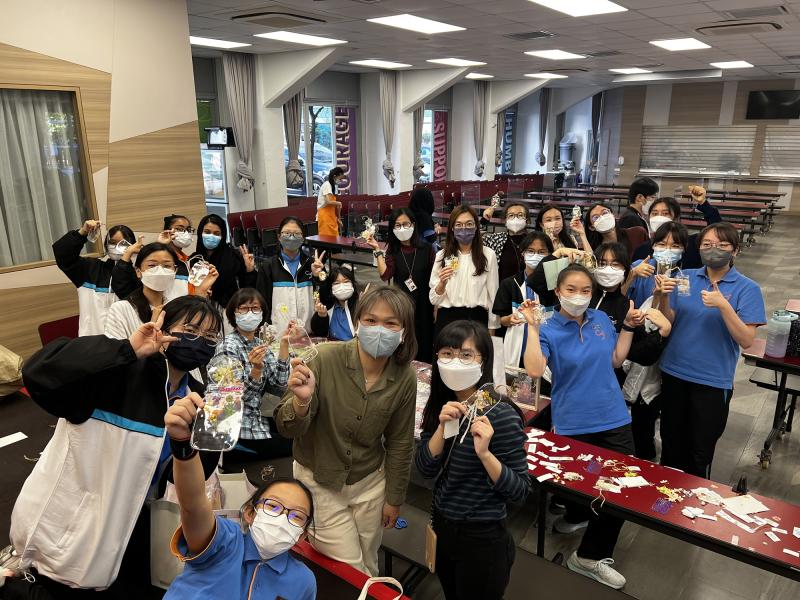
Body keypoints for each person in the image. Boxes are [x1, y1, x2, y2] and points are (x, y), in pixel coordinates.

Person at [7, 296, 223, 597]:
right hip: (77, 523)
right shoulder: (117, 373)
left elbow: (186, 475)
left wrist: (213, 434)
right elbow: (38, 372)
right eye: (190, 330)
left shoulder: (196, 397)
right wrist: (127, 349)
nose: (199, 341)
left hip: (137, 519)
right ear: (163, 327)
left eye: (210, 336)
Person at [274, 287, 418, 576]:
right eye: (371, 320)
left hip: (369, 483)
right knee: (352, 571)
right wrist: (302, 402)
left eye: (391, 323)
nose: (380, 329)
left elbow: (401, 442)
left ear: (404, 331)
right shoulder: (324, 358)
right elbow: (286, 427)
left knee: (370, 560)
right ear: (358, 322)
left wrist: (394, 498)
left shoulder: (405, 377)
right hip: (320, 481)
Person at [521, 264, 645, 589]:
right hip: (573, 422)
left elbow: (615, 360)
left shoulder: (601, 319)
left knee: (622, 488)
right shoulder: (547, 328)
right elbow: (534, 370)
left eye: (586, 290)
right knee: (581, 486)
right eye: (571, 290)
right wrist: (532, 327)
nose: (579, 296)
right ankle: (578, 518)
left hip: (614, 416)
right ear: (558, 292)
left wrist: (628, 327)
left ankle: (589, 556)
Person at [416, 321, 530, 600]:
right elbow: (424, 468)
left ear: (484, 360)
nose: (455, 362)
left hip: (482, 537)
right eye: (447, 353)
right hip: (442, 526)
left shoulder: (501, 414)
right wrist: (441, 429)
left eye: (466, 355)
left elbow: (520, 491)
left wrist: (485, 454)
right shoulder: (441, 404)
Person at [164, 392, 315, 599]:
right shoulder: (224, 541)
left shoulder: (303, 581)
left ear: (303, 534)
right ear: (250, 513)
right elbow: (193, 504)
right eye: (273, 506)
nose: (282, 518)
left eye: (296, 516)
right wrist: (182, 443)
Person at [656, 222, 766, 478]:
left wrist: (724, 306)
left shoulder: (747, 288)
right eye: (707, 244)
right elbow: (669, 320)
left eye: (722, 245)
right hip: (674, 372)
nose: (713, 249)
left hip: (712, 381)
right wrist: (662, 296)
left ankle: (693, 499)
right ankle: (663, 496)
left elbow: (746, 340)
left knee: (700, 452)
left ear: (735, 250)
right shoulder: (685, 277)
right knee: (670, 444)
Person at [592, 242, 673, 461]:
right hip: (572, 390)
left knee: (609, 456)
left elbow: (641, 354)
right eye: (602, 263)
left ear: (625, 271)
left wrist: (662, 333)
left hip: (608, 393)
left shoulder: (626, 306)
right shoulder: (581, 298)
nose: (608, 269)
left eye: (615, 265)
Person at [217, 288, 294, 463]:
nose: (250, 313)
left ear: (262, 313)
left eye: (255, 308)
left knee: (300, 431)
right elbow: (232, 399)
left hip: (258, 418)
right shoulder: (228, 347)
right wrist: (256, 371)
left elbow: (279, 383)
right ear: (233, 314)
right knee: (298, 444)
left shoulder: (258, 344)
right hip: (240, 428)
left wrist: (284, 344)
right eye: (243, 309)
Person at [371, 207, 436, 362]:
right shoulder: (393, 250)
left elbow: (435, 279)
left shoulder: (427, 249)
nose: (402, 228)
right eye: (397, 225)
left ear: (413, 224)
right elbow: (385, 275)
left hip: (424, 304)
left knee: (424, 341)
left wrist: (436, 307)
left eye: (406, 224)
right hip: (401, 305)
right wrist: (377, 250)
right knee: (403, 342)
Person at [52, 219, 136, 336]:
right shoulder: (90, 269)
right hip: (92, 341)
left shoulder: (137, 276)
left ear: (133, 247)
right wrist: (82, 232)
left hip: (127, 341)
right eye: (112, 243)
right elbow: (63, 255)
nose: (117, 247)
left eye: (123, 244)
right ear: (106, 245)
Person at [429, 205, 500, 338]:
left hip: (477, 319)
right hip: (448, 319)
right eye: (459, 225)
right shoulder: (442, 255)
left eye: (469, 224)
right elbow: (434, 299)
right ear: (452, 228)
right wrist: (442, 284)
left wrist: (492, 329)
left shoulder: (488, 255)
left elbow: (493, 296)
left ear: (476, 227)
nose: (464, 228)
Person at [492, 232, 553, 368]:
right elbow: (502, 320)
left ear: (549, 255)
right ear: (522, 253)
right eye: (530, 251)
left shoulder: (554, 286)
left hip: (546, 348)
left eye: (541, 252)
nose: (535, 255)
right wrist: (510, 319)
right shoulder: (509, 284)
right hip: (517, 348)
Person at [255, 216, 324, 334]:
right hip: (278, 335)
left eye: (297, 234)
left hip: (308, 334)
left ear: (303, 238)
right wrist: (267, 332)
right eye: (287, 233)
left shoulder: (313, 264)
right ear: (279, 237)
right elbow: (262, 303)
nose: (291, 237)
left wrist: (317, 278)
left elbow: (325, 300)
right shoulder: (268, 266)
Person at [104, 242, 183, 340]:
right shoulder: (121, 309)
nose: (160, 271)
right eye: (152, 265)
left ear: (175, 271)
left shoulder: (178, 308)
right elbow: (114, 348)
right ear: (138, 271)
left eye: (166, 266)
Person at [631, 186, 722, 269]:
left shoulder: (692, 244)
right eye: (654, 213)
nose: (659, 217)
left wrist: (703, 203)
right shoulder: (642, 249)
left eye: (665, 213)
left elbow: (717, 230)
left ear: (676, 218)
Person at [193, 214, 256, 311]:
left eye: (216, 233)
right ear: (200, 232)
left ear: (222, 236)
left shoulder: (233, 257)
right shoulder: (194, 259)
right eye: (207, 232)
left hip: (229, 309)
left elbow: (248, 289)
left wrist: (249, 269)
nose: (211, 236)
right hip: (199, 309)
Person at [627, 221, 690, 309]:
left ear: (684, 249)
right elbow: (619, 296)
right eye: (662, 244)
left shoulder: (684, 278)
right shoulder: (638, 266)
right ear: (653, 245)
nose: (667, 250)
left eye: (675, 246)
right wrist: (633, 274)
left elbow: (682, 308)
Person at [480, 201, 531, 281]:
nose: (515, 218)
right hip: (502, 286)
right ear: (505, 220)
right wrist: (484, 220)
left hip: (528, 287)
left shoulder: (533, 240)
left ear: (527, 220)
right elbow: (473, 239)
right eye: (511, 215)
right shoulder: (495, 239)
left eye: (520, 215)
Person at [583, 202, 648, 261]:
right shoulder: (595, 249)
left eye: (605, 213)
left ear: (612, 214)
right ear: (592, 227)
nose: (603, 218)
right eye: (596, 217)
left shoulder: (637, 233)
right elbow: (591, 265)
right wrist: (582, 234)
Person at [311, 265, 359, 341]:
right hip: (333, 346)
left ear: (353, 284)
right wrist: (321, 316)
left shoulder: (360, 306)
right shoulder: (329, 307)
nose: (342, 286)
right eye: (336, 283)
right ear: (331, 289)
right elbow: (319, 332)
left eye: (346, 282)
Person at [317, 167, 345, 237]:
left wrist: (338, 219)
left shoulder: (332, 186)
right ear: (334, 176)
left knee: (334, 238)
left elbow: (332, 207)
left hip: (331, 217)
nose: (340, 181)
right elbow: (328, 201)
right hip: (325, 217)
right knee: (327, 239)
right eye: (340, 179)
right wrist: (339, 203)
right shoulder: (327, 185)